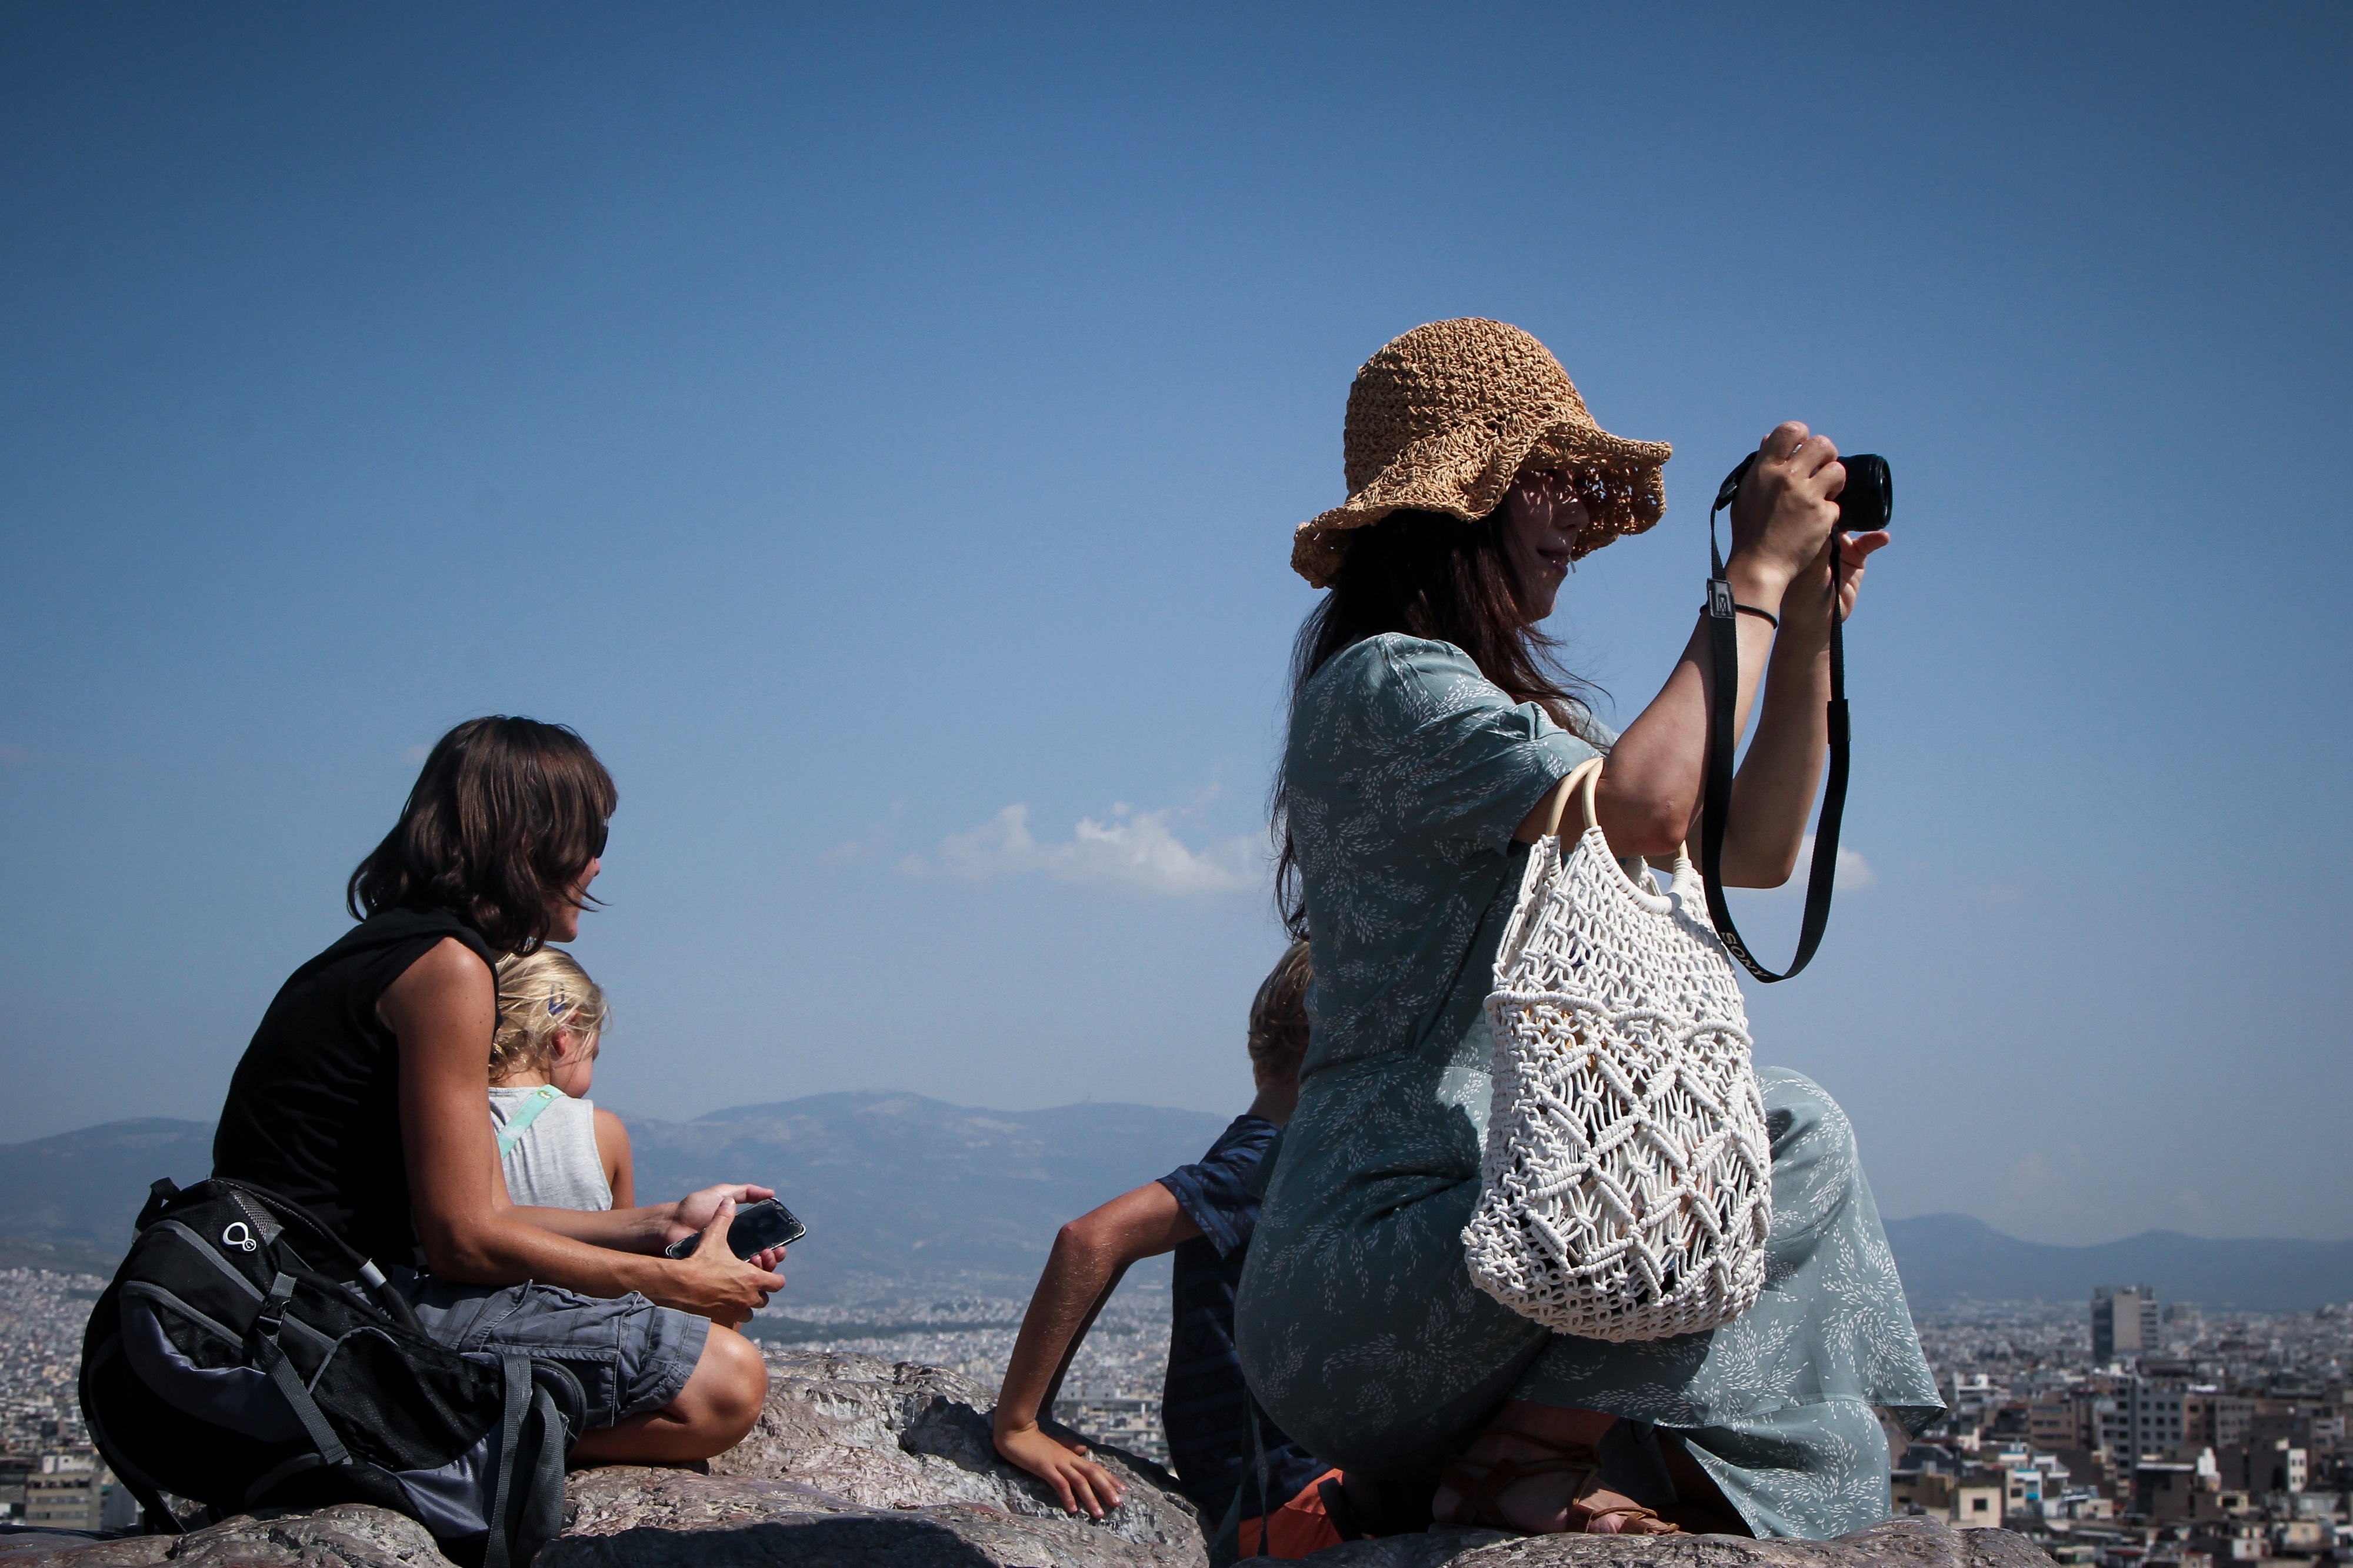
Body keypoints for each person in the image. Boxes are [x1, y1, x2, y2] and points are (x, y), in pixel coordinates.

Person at [1233, 319, 1942, 1542]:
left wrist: (1805, 630)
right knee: (1791, 1130)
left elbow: (1752, 852)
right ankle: (1531, 1452)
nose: (1572, 513)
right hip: (1369, 1268)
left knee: (1807, 1387)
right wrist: (1747, 587)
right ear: (1465, 494)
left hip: (1471, 1248)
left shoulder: (1478, 711)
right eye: (1547, 478)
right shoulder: (1389, 684)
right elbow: (1648, 807)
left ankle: (1499, 1455)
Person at [212, 716, 786, 1464]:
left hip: (305, 1303)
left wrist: (661, 1222)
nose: (596, 865)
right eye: (590, 839)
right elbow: (463, 1244)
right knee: (725, 1384)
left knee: (706, 1358)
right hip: (338, 1317)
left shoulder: (391, 951)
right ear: (526, 843)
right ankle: (415, 1455)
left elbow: (488, 1213)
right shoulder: (446, 969)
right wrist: (666, 1285)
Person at [992, 943, 1343, 1554]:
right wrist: (1019, 1422)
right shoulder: (1263, 1160)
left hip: (1275, 1482)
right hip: (1281, 1494)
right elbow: (1091, 1238)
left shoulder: (1259, 1149)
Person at [488, 948, 633, 1210]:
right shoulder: (601, 1131)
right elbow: (628, 1241)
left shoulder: (437, 1115)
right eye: (592, 1055)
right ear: (564, 1034)